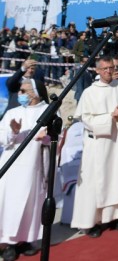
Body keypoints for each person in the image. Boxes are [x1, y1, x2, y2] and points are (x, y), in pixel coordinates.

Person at [71, 56, 118, 238]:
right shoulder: (89, 92)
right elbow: (86, 119)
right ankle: (92, 221)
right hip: (97, 144)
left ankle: (116, 217)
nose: (109, 71)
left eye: (111, 68)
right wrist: (110, 118)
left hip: (117, 142)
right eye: (105, 68)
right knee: (94, 182)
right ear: (97, 70)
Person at [0, 78, 50, 260]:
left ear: (36, 93)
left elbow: (55, 138)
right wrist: (13, 131)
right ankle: (8, 244)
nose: (20, 95)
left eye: (24, 91)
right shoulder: (12, 112)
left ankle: (27, 240)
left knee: (31, 204)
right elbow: (1, 137)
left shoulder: (48, 111)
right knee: (10, 204)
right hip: (12, 166)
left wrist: (46, 137)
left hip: (35, 166)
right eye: (20, 91)